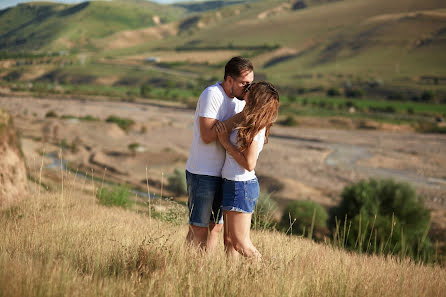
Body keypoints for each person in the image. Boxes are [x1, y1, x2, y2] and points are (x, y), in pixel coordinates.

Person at [185, 57, 254, 250]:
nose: (247, 89)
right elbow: (207, 135)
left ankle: (205, 271)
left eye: (250, 84)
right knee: (198, 228)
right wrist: (241, 116)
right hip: (202, 171)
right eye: (244, 83)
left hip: (224, 175)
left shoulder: (240, 102)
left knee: (215, 228)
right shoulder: (212, 94)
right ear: (229, 79)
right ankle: (187, 269)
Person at [215, 81, 279, 259]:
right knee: (228, 241)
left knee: (240, 243)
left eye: (251, 89)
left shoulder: (256, 127)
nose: (247, 90)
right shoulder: (248, 119)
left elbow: (249, 164)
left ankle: (267, 274)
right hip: (232, 183)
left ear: (256, 97)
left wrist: (225, 142)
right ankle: (233, 281)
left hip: (240, 186)